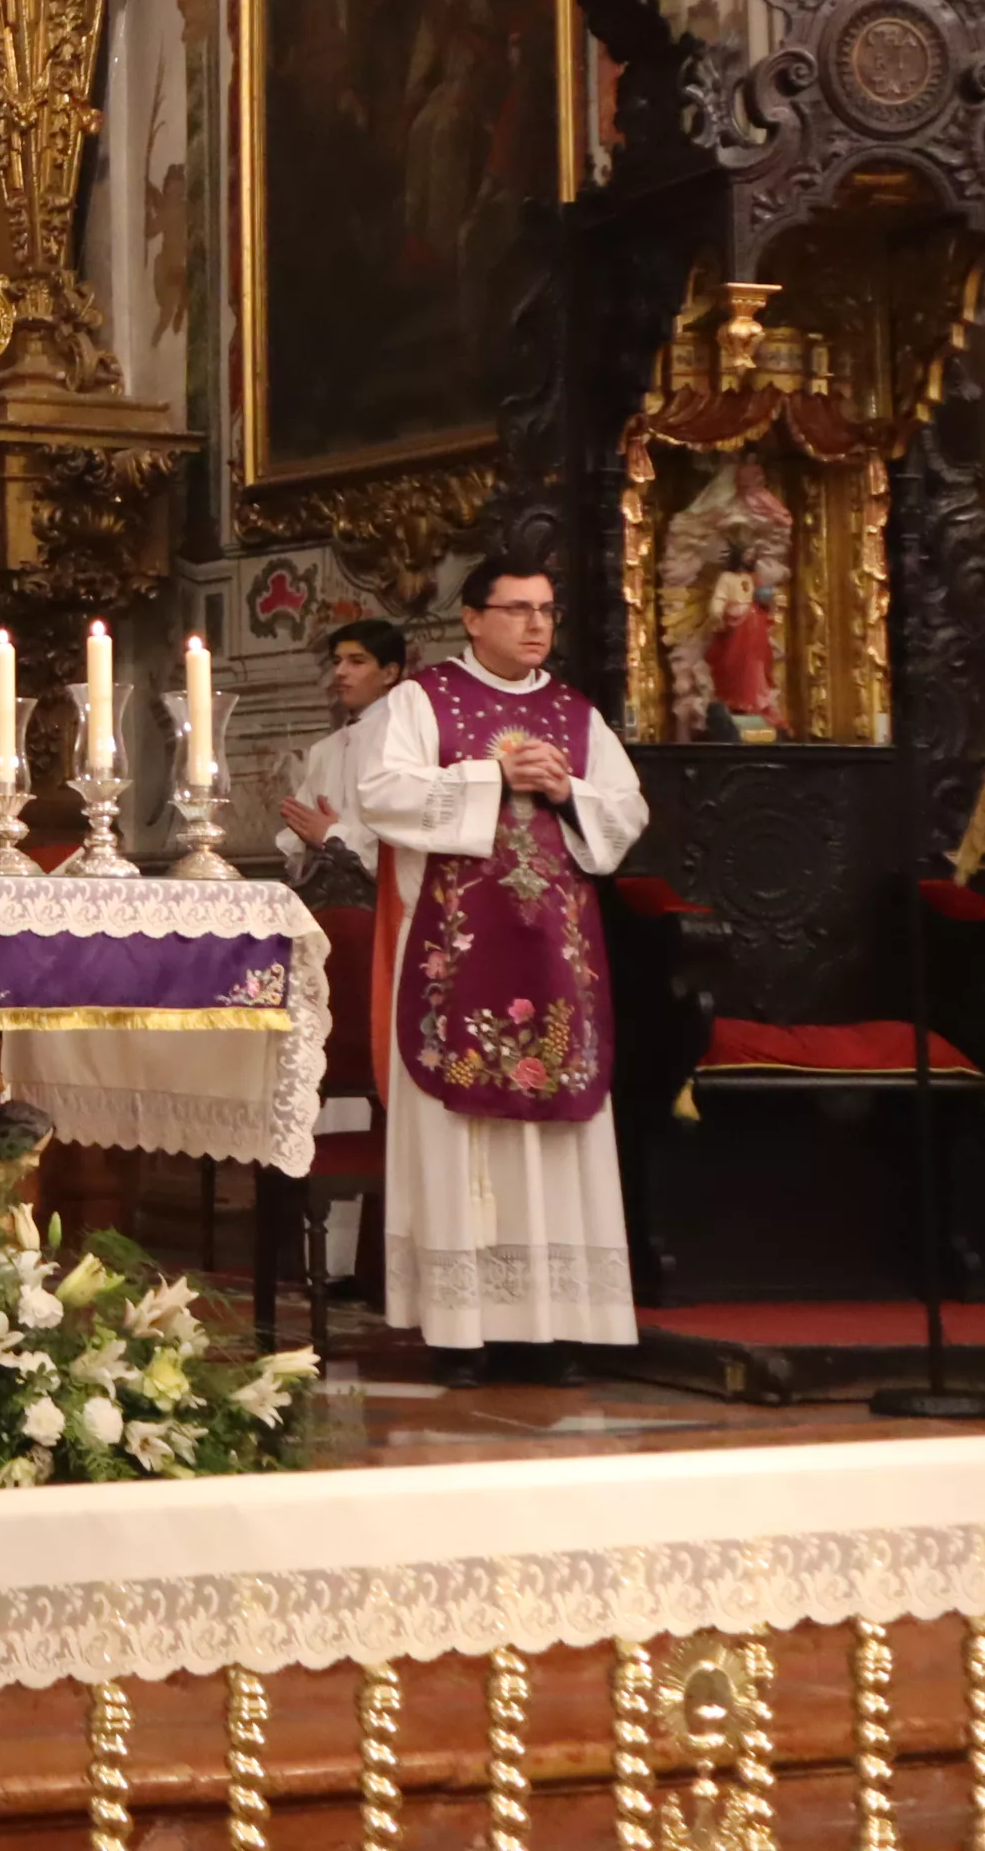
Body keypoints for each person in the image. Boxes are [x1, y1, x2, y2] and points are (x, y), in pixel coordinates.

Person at [352, 558, 648, 1387]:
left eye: (546, 611)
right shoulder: (424, 700)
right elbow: (378, 792)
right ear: (473, 620)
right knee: (464, 1133)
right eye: (516, 610)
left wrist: (572, 790)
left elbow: (628, 814)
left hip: (558, 957)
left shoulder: (575, 713)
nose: (535, 626)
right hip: (455, 959)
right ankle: (461, 1333)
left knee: (555, 1132)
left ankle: (552, 1330)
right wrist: (490, 777)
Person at [271, 617, 403, 912]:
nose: (340, 672)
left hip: (388, 907)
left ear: (389, 672)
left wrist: (334, 835)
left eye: (357, 661)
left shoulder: (404, 739)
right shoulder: (323, 750)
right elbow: (298, 840)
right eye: (337, 661)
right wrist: (309, 838)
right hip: (326, 906)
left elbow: (402, 835)